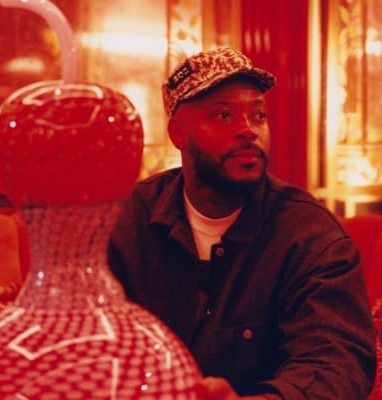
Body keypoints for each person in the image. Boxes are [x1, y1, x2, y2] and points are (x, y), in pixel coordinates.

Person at [107, 47, 376, 399]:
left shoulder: (310, 236)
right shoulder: (127, 221)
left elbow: (336, 362)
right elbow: (86, 340)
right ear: (178, 133)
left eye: (259, 115)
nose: (248, 131)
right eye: (223, 115)